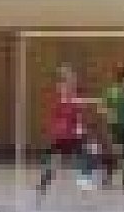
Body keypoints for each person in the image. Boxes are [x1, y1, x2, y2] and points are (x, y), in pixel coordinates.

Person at [36, 63, 91, 198]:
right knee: (55, 160)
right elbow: (59, 113)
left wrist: (80, 127)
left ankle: (84, 184)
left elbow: (79, 112)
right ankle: (44, 182)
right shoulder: (61, 98)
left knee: (81, 157)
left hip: (72, 134)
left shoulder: (75, 98)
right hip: (62, 134)